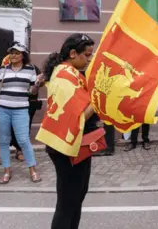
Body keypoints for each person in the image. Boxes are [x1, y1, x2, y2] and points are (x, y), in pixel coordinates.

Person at [38, 33, 97, 229]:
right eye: (87, 55)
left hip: (76, 142)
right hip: (66, 144)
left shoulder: (70, 73)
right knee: (67, 202)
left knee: (76, 197)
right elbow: (77, 117)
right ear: (73, 53)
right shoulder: (65, 76)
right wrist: (98, 100)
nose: (89, 59)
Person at [0, 44, 43, 184]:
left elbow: (32, 92)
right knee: (3, 141)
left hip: (21, 109)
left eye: (17, 53)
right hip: (2, 108)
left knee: (23, 140)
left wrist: (38, 84)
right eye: (12, 53)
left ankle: (33, 169)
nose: (14, 55)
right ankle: (6, 170)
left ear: (23, 55)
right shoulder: (2, 69)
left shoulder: (30, 70)